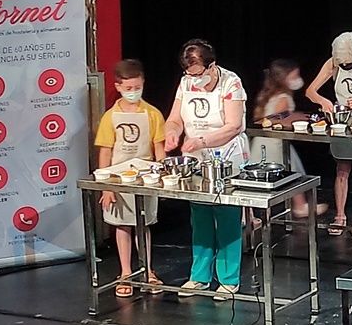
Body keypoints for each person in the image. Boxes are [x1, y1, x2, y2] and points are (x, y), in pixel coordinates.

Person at [162, 39, 249, 301]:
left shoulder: (231, 82)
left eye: (199, 73)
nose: (195, 79)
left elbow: (233, 126)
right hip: (195, 158)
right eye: (190, 74)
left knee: (226, 216)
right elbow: (175, 118)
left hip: (226, 157)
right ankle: (199, 276)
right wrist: (171, 133)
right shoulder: (186, 82)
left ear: (212, 66)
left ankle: (228, 279)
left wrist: (202, 141)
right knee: (199, 216)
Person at [94, 59, 164, 296]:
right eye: (128, 88)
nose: (133, 92)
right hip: (117, 179)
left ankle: (147, 271)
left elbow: (159, 148)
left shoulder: (153, 114)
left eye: (137, 87)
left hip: (145, 179)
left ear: (143, 83)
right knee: (122, 225)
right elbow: (105, 151)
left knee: (144, 226)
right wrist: (105, 186)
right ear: (118, 86)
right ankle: (125, 272)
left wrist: (161, 175)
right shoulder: (109, 117)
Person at [305, 32, 352, 233]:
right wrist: (323, 101)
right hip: (342, 122)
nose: (346, 67)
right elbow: (310, 91)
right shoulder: (332, 63)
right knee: (342, 168)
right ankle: (340, 215)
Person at [253, 59, 317, 220]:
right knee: (293, 172)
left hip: (262, 142)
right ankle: (300, 205)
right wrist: (297, 118)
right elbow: (276, 118)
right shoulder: (282, 98)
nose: (298, 80)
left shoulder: (270, 95)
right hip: (273, 143)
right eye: (294, 77)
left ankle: (250, 215)